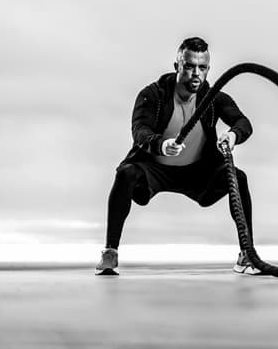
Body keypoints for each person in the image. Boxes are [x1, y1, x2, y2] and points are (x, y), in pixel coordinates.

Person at [95, 36, 260, 275]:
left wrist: (233, 136)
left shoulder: (214, 98)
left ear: (208, 70)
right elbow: (139, 131)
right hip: (155, 169)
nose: (196, 73)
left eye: (202, 68)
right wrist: (161, 145)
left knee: (238, 177)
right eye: (189, 66)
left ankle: (247, 253)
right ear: (177, 66)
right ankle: (110, 252)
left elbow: (243, 122)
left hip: (197, 173)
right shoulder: (152, 94)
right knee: (125, 173)